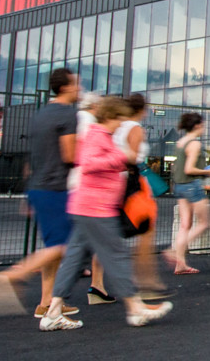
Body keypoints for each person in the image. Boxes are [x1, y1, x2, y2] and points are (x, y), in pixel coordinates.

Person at [38, 96, 172, 331]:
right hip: (96, 207)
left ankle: (53, 311)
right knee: (116, 255)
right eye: (120, 118)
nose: (122, 124)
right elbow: (89, 163)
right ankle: (135, 308)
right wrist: (122, 157)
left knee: (74, 258)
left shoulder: (98, 135)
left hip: (87, 206)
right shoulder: (97, 134)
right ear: (111, 116)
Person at [0, 68, 81, 319]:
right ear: (66, 87)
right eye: (77, 84)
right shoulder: (69, 115)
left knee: (53, 247)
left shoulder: (40, 115)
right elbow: (70, 155)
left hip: (38, 186)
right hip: (56, 186)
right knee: (64, 246)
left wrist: (29, 194)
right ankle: (9, 276)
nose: (80, 89)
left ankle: (47, 302)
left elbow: (33, 158)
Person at [114, 95, 171, 300]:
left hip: (114, 181)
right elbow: (134, 158)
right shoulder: (135, 128)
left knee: (108, 231)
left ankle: (97, 286)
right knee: (146, 231)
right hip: (134, 184)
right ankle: (146, 282)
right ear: (142, 109)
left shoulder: (117, 126)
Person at [166, 113, 210, 274]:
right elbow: (189, 169)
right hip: (192, 185)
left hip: (179, 186)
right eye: (203, 125)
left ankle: (181, 263)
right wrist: (208, 172)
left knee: (185, 225)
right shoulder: (194, 144)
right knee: (204, 223)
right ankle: (174, 252)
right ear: (197, 125)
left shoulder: (180, 142)